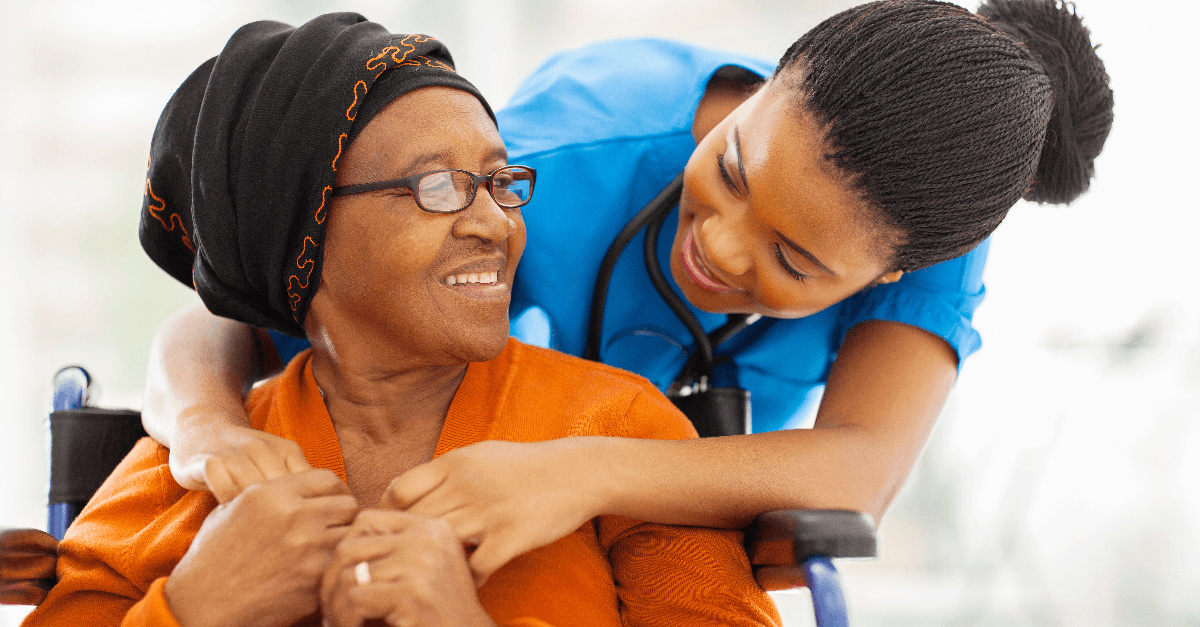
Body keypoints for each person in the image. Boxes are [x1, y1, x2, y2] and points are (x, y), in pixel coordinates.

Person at [140, 0, 1114, 584]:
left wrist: (581, 472)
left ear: (889, 273)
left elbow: (860, 469)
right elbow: (224, 318)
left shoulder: (924, 231)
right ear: (772, 84)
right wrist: (207, 428)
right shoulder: (560, 161)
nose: (721, 249)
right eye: (731, 169)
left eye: (796, 262)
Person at [21, 14, 781, 627]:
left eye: (499, 180)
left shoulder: (618, 429)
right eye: (438, 186)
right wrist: (192, 609)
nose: (497, 222)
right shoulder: (181, 470)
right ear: (303, 237)